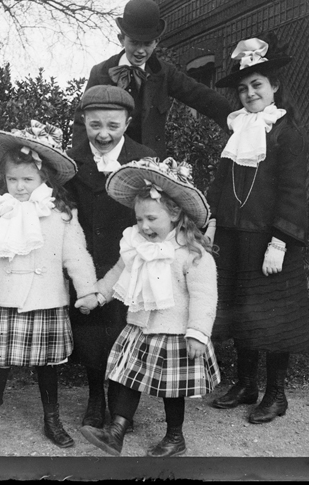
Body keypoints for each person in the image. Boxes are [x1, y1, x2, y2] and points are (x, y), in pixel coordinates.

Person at [0, 122, 100, 452]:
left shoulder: (60, 214)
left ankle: (52, 419)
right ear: (4, 179)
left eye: (27, 180)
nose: (19, 187)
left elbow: (76, 255)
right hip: (3, 299)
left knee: (48, 365)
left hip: (45, 300)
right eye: (12, 179)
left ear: (44, 179)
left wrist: (87, 290)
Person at [79, 157, 221, 457]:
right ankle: (115, 432)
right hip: (141, 326)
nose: (143, 226)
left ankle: (174, 436)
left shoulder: (191, 253)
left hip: (175, 332)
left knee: (172, 390)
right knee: (128, 379)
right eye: (139, 219)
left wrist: (198, 332)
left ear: (175, 215)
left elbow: (205, 295)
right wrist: (99, 295)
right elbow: (119, 271)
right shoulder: (137, 245)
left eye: (151, 219)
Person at [205, 34, 309, 424]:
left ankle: (275, 394)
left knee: (274, 317)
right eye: (244, 88)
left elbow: (292, 193)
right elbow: (219, 184)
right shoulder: (237, 132)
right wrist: (213, 222)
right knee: (242, 313)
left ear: (274, 87)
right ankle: (246, 384)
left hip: (271, 242)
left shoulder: (287, 134)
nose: (250, 93)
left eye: (257, 85)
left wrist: (280, 242)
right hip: (235, 238)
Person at [65, 85, 156, 431]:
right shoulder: (73, 163)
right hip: (87, 261)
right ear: (84, 122)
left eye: (113, 126)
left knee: (125, 333)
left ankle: (121, 407)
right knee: (90, 336)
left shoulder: (144, 159)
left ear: (128, 122)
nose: (103, 134)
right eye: (95, 125)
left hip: (130, 264)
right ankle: (94, 399)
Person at [70, 0, 233, 158]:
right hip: (109, 160)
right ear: (121, 39)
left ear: (156, 43)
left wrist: (239, 121)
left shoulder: (164, 73)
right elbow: (82, 120)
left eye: (147, 44)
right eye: (134, 42)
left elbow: (202, 97)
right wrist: (81, 161)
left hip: (149, 164)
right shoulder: (101, 72)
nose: (140, 51)